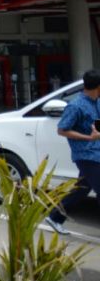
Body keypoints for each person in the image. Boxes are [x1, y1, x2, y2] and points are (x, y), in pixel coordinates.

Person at [47, 69, 100, 234]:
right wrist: (88, 138)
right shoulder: (75, 106)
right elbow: (62, 130)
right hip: (86, 155)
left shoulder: (97, 102)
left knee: (81, 189)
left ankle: (55, 217)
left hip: (97, 152)